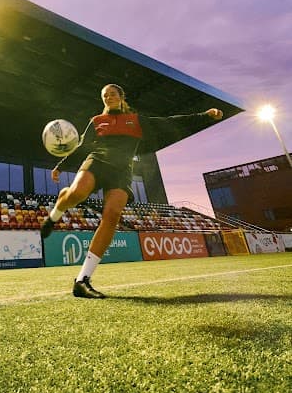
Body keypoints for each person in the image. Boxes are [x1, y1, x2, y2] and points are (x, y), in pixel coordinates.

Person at [40, 83, 223, 299]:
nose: (108, 97)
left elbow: (169, 121)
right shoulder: (96, 121)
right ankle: (54, 216)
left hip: (122, 170)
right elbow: (80, 145)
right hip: (97, 160)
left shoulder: (137, 120)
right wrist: (61, 165)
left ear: (121, 97)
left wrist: (205, 115)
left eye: (112, 94)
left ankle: (82, 280)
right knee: (77, 194)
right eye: (105, 95)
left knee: (112, 216)